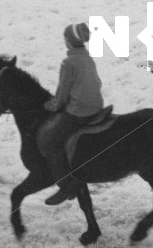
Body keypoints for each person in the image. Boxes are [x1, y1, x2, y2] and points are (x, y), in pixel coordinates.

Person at [38, 23, 106, 205]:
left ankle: (66, 185)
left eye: (65, 38)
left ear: (69, 42)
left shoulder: (68, 63)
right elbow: (97, 82)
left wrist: (50, 106)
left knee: (51, 143)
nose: (65, 41)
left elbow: (61, 97)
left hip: (79, 112)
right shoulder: (88, 58)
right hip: (97, 107)